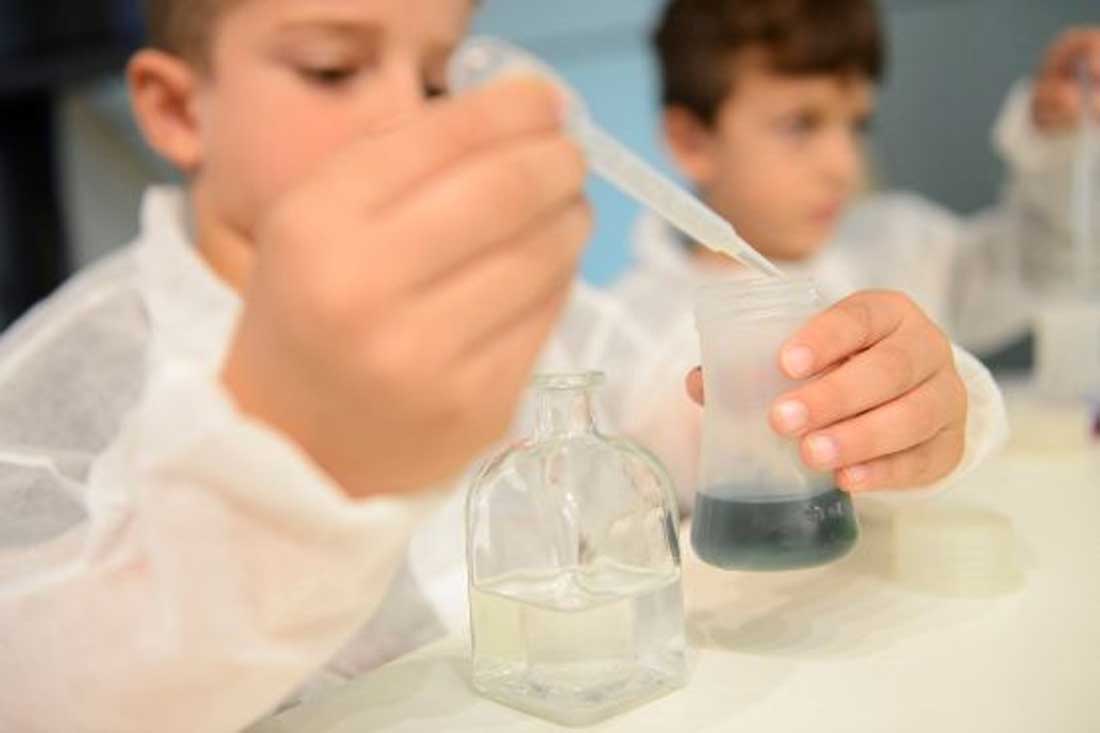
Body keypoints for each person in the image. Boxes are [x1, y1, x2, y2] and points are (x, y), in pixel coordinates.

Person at [0, 1, 1005, 731]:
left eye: (439, 77)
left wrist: (895, 394)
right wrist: (295, 460)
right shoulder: (62, 389)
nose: (409, 116)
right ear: (178, 110)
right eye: (330, 67)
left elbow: (699, 403)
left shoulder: (541, 321)